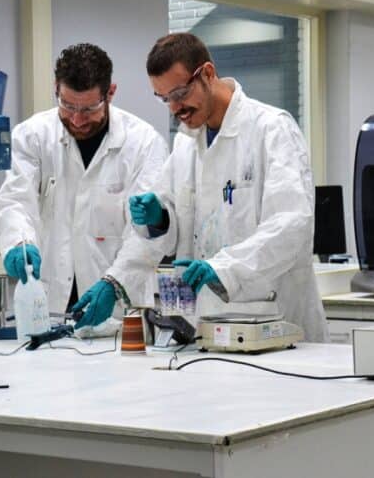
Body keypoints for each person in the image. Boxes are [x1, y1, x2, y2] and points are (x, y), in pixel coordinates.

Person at [129, 33, 328, 342]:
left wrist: (224, 268)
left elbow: (291, 226)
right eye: (165, 98)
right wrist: (160, 218)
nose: (175, 108)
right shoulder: (186, 144)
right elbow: (175, 228)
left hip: (274, 323)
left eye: (180, 93)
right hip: (208, 328)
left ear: (207, 73)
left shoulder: (271, 129)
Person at [0, 43, 168, 331]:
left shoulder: (144, 144)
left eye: (88, 109)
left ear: (110, 93)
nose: (76, 119)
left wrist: (115, 282)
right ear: (56, 88)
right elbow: (15, 200)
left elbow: (144, 233)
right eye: (67, 105)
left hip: (119, 313)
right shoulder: (32, 136)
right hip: (48, 310)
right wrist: (19, 242)